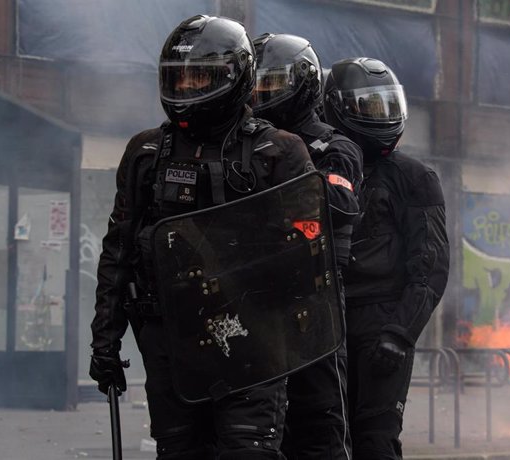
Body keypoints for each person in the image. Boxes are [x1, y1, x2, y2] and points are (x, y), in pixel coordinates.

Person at [88, 15, 314, 459]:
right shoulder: (146, 153)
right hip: (171, 339)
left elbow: (310, 255)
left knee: (249, 450)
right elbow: (118, 252)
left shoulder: (279, 152)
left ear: (237, 76)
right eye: (180, 77)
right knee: (179, 452)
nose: (189, 87)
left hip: (254, 338)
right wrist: (104, 341)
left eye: (201, 76)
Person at [323, 57, 450, 459]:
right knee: (321, 438)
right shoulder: (319, 166)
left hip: (382, 324)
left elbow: (430, 265)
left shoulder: (414, 178)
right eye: (367, 107)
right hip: (325, 321)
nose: (379, 117)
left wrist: (400, 333)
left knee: (375, 441)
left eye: (384, 106)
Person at [251, 33, 363, 460]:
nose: (263, 95)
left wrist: (293, 166)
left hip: (314, 305)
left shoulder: (334, 146)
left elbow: (337, 203)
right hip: (257, 302)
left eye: (272, 84)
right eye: (257, 85)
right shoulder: (247, 147)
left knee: (321, 429)